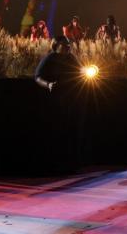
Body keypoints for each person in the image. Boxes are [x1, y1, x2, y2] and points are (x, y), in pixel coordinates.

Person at [35, 36, 84, 171]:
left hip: (72, 98)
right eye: (64, 44)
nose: (68, 46)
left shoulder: (72, 58)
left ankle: (71, 162)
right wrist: (48, 84)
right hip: (55, 99)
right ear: (56, 45)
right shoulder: (50, 58)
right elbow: (38, 76)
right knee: (57, 130)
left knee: (71, 130)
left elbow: (80, 71)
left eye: (69, 44)